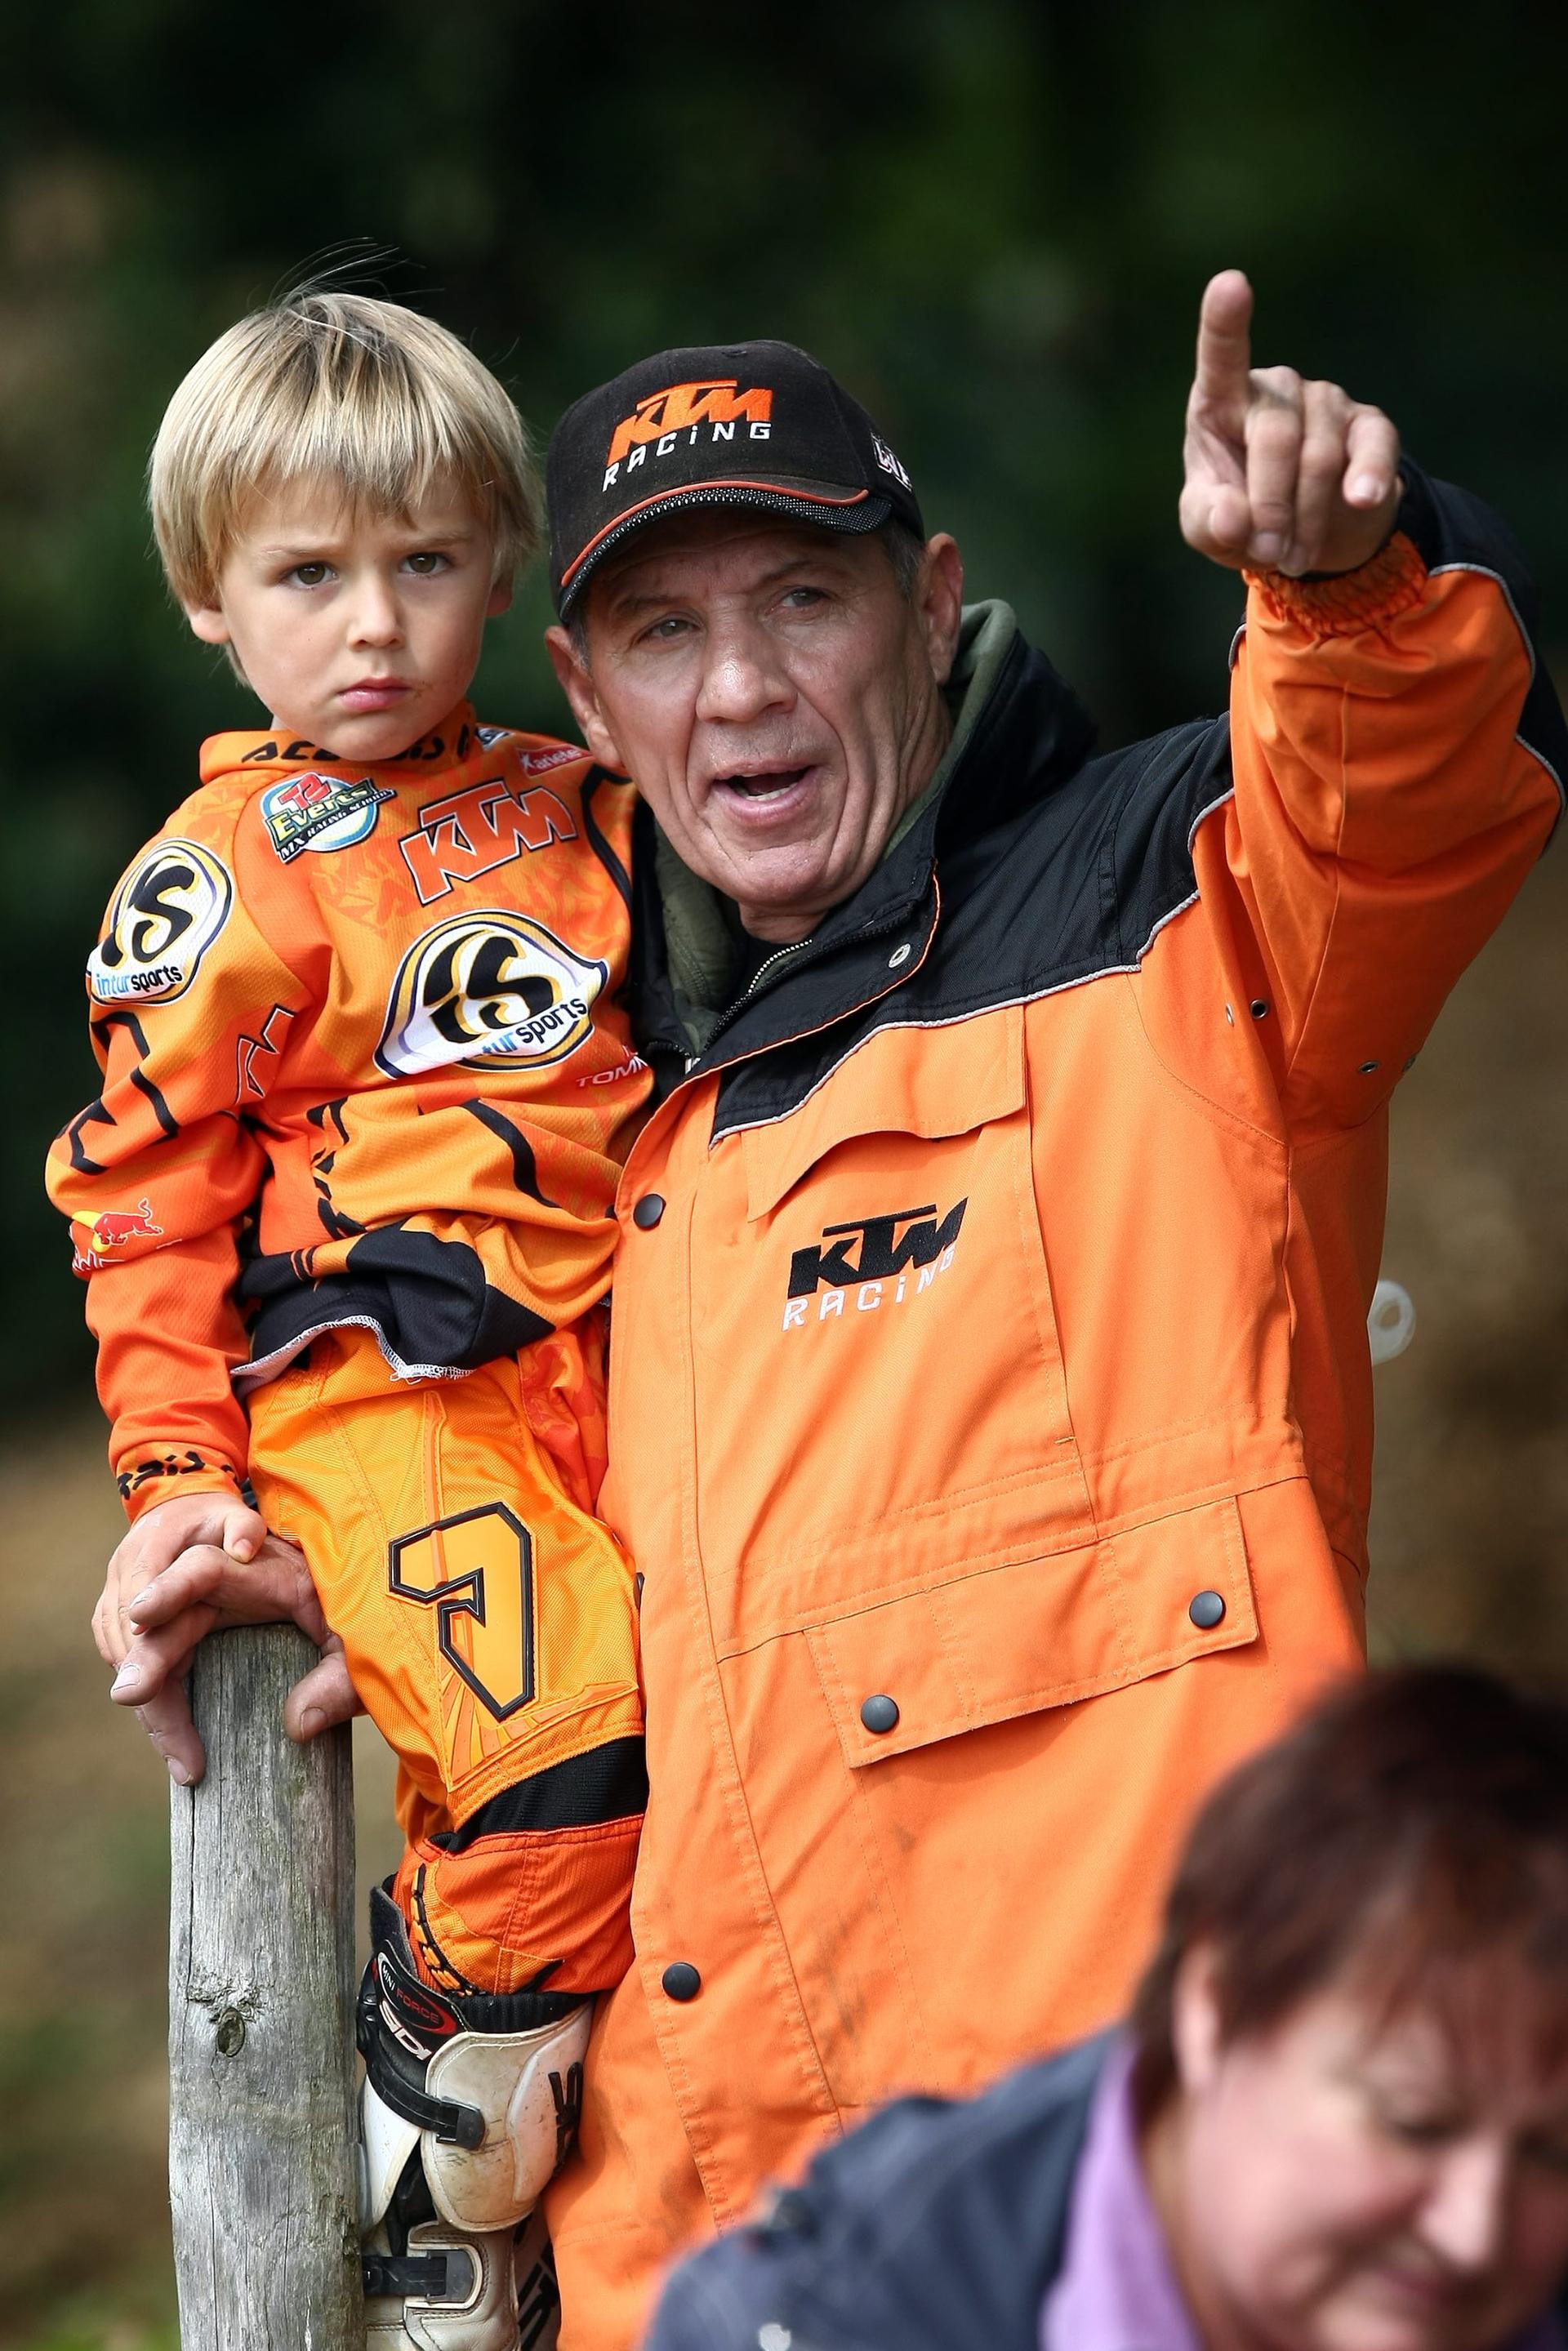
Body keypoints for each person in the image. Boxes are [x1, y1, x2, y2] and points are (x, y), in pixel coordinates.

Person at [111, 275, 1568, 2350]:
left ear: (929, 602)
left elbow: (1413, 785)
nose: (740, 690)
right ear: (581, 693)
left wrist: (1351, 581)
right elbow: (273, 1298)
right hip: (711, 2278)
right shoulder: (549, 1086)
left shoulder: (1180, 901)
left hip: (1138, 2227)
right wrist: (250, 1520)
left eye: (803, 600)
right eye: (662, 631)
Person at [44, 292, 653, 2349]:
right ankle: (435, 2100)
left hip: (626, 1356)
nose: (375, 624)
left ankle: (554, 2193)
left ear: (500, 564)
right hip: (386, 1383)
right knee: (564, 1764)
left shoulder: (593, 801)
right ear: (210, 603)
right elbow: (141, 1199)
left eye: (425, 561)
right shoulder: (217, 875)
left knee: (707, 1760)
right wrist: (177, 1478)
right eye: (309, 575)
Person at [643, 1664, 1568, 2351]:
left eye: (1553, 2153)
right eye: (1413, 2122)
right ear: (1216, 2004)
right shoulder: (820, 2320)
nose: (1473, 2231)